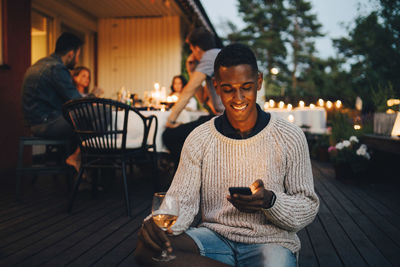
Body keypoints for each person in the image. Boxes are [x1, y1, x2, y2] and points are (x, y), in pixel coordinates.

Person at [134, 43, 320, 267]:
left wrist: (271, 201)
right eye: (229, 89)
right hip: (214, 239)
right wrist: (155, 224)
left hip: (271, 242)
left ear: (259, 82)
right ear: (216, 86)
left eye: (246, 87)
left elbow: (307, 205)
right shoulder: (200, 138)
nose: (238, 98)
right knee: (149, 250)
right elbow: (180, 200)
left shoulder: (290, 136)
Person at [22, 32, 83, 172]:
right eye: (78, 55)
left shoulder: (39, 64)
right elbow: (76, 101)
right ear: (71, 54)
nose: (78, 60)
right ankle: (79, 161)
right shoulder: (57, 68)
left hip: (35, 122)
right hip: (47, 123)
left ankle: (82, 172)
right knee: (100, 115)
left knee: (88, 121)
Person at [163, 27, 224, 163]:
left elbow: (189, 91)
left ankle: (189, 172)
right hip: (220, 117)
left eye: (191, 50)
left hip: (224, 119)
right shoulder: (217, 56)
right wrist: (191, 71)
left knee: (169, 135)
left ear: (196, 48)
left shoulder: (210, 56)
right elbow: (202, 98)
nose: (192, 54)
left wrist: (171, 120)